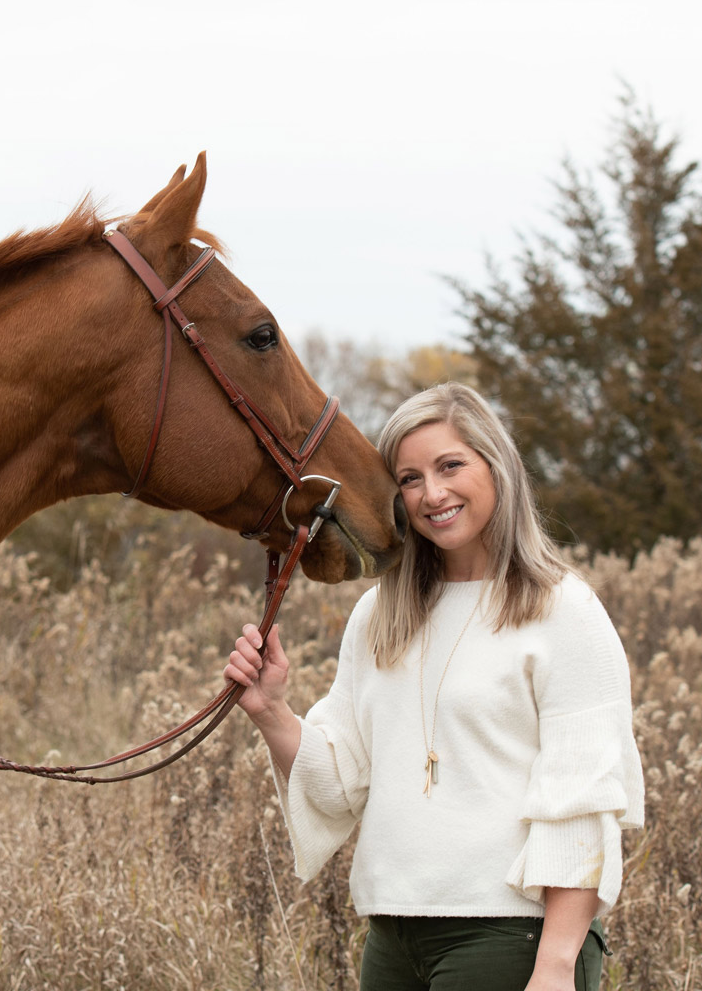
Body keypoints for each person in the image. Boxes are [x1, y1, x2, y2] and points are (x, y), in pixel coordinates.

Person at [225, 382, 644, 991]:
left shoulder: (562, 610)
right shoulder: (379, 615)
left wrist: (555, 966)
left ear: (496, 467)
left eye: (451, 466)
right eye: (411, 478)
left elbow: (581, 802)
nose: (433, 493)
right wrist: (272, 712)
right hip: (393, 937)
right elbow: (342, 784)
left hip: (509, 937)